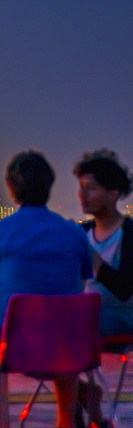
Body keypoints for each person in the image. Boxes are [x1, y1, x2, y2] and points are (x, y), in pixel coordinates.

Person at [0, 151, 92, 428]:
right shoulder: (75, 233)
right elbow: (77, 291)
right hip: (69, 346)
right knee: (61, 327)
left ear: (11, 188)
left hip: (15, 346)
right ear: (49, 186)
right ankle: (66, 420)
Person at [74, 150, 133, 427]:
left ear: (114, 193)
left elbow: (125, 289)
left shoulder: (129, 233)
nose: (83, 195)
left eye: (92, 188)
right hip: (86, 319)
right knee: (47, 331)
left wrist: (95, 261)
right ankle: (85, 407)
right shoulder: (82, 232)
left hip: (121, 319)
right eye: (81, 188)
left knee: (63, 331)